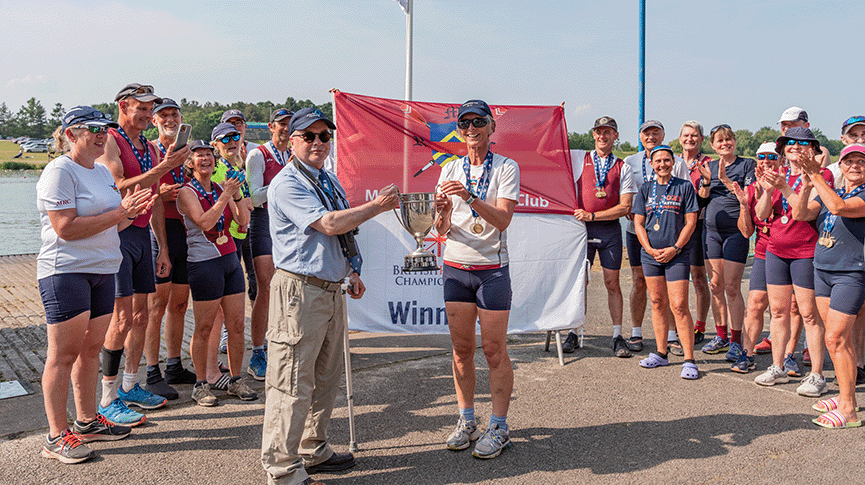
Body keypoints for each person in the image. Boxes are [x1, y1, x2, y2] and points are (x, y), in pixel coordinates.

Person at [260, 108, 397, 485]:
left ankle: (312, 448)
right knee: (290, 381)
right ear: (291, 141)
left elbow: (340, 234)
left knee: (325, 376)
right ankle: (282, 468)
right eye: (309, 136)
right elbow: (329, 223)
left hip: (328, 288)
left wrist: (352, 270)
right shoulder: (288, 183)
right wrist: (376, 207)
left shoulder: (325, 178)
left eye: (324, 136)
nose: (319, 143)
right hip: (299, 292)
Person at [37, 106, 154, 463]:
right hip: (66, 271)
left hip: (104, 269)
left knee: (91, 350)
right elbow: (65, 229)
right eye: (91, 128)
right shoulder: (60, 171)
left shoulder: (103, 173)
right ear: (71, 134)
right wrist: (121, 213)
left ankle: (87, 420)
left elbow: (111, 225)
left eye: (105, 127)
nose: (102, 133)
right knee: (64, 354)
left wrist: (128, 214)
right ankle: (56, 435)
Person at [96, 83, 190, 425]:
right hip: (118, 237)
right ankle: (106, 400)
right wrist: (164, 168)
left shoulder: (149, 146)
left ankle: (130, 385)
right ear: (124, 105)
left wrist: (163, 247)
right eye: (143, 108)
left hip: (141, 239)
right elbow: (118, 185)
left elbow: (152, 202)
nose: (149, 115)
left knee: (141, 318)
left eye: (152, 109)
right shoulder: (109, 138)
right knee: (121, 319)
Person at [434, 100, 520, 459]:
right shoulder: (449, 168)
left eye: (478, 122)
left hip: (492, 270)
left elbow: (502, 220)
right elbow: (441, 230)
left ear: (490, 127)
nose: (471, 128)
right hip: (456, 266)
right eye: (465, 122)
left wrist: (468, 196)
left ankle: (498, 426)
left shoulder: (506, 167)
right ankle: (466, 419)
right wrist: (440, 214)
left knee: (494, 350)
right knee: (461, 350)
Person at [176, 140, 256, 406]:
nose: (206, 159)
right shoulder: (186, 193)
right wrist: (225, 196)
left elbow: (243, 222)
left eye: (209, 155)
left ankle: (235, 380)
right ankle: (201, 384)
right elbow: (204, 222)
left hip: (229, 260)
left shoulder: (222, 187)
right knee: (204, 327)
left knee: (236, 325)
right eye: (199, 156)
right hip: (204, 264)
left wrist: (235, 195)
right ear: (190, 163)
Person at [754, 127, 833, 396]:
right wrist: (766, 191)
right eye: (789, 144)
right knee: (777, 312)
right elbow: (762, 214)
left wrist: (784, 188)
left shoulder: (820, 177)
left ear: (812, 148)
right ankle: (777, 367)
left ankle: (817, 375)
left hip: (806, 252)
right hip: (776, 249)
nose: (795, 148)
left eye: (802, 143)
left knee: (810, 315)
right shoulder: (778, 174)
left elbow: (802, 214)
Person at [792, 143, 865, 428]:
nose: (855, 166)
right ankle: (845, 395)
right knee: (834, 339)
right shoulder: (833, 190)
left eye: (861, 162)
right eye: (849, 162)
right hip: (823, 270)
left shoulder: (855, 196)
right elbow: (800, 214)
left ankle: (849, 409)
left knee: (836, 337)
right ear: (842, 166)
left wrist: (817, 176)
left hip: (851, 274)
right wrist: (808, 184)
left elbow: (838, 208)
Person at [567, 116, 636, 357]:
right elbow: (555, 147)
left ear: (615, 136)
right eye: (598, 132)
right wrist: (559, 116)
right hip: (581, 231)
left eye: (608, 132)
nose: (602, 136)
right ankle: (574, 332)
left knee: (612, 283)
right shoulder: (580, 158)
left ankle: (617, 335)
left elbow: (625, 207)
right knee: (579, 284)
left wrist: (593, 216)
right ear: (593, 134)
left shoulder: (623, 166)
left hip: (609, 232)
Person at [143, 97, 196, 401]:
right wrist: (159, 193)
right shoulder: (151, 151)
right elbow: (144, 192)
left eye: (174, 114)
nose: (170, 119)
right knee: (155, 306)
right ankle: (152, 372)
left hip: (184, 230)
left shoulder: (185, 150)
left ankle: (174, 365)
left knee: (179, 304)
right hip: (158, 230)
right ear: (155, 120)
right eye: (164, 115)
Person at [632, 145, 699, 378]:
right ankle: (660, 353)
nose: (662, 164)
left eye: (666, 160)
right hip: (651, 255)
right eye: (658, 161)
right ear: (651, 164)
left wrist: (676, 248)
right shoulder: (645, 189)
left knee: (679, 305)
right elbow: (639, 223)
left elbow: (691, 222)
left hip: (677, 254)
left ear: (674, 162)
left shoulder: (684, 187)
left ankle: (689, 359)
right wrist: (648, 248)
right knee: (657, 301)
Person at [623, 121, 688, 353]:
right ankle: (636, 332)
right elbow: (626, 192)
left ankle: (671, 336)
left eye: (655, 133)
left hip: (669, 234)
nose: (650, 136)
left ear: (662, 135)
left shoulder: (677, 163)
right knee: (640, 281)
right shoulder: (630, 161)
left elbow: (684, 195)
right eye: (646, 133)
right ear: (640, 137)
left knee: (669, 288)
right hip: (637, 232)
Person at [698, 125, 755, 362]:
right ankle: (721, 335)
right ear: (712, 145)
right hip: (711, 232)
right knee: (715, 285)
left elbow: (748, 195)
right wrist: (707, 182)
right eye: (719, 141)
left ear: (734, 141)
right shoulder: (708, 165)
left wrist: (724, 179)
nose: (725, 144)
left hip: (736, 231)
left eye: (728, 140)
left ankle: (736, 339)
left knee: (732, 287)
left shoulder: (746, 164)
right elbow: (702, 200)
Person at [244, 108, 294, 381]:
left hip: (289, 225)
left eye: (290, 124)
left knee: (289, 286)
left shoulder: (295, 153)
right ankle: (257, 352)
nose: (286, 128)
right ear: (270, 126)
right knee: (266, 287)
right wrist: (287, 176)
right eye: (281, 124)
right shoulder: (257, 155)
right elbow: (255, 196)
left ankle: (282, 344)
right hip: (263, 223)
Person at [207, 122, 255, 390]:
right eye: (225, 139)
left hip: (237, 236)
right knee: (214, 313)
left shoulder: (238, 167)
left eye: (235, 136)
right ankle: (210, 371)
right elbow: (214, 203)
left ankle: (217, 367)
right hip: (221, 241)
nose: (232, 141)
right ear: (215, 145)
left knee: (230, 312)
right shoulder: (218, 169)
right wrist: (240, 205)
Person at [728, 142, 779, 373]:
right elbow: (746, 232)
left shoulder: (786, 186)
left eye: (772, 157)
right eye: (762, 158)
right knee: (755, 303)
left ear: (781, 161)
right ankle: (747, 353)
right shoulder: (750, 189)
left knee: (790, 308)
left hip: (789, 252)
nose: (766, 162)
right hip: (762, 251)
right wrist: (743, 205)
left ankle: (786, 356)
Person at [678, 121, 713, 346]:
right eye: (686, 135)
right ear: (680, 138)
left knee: (699, 278)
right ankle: (676, 327)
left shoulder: (708, 163)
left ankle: (699, 325)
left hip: (699, 223)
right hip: (675, 225)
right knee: (675, 280)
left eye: (694, 136)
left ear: (701, 139)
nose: (690, 139)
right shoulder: (671, 161)